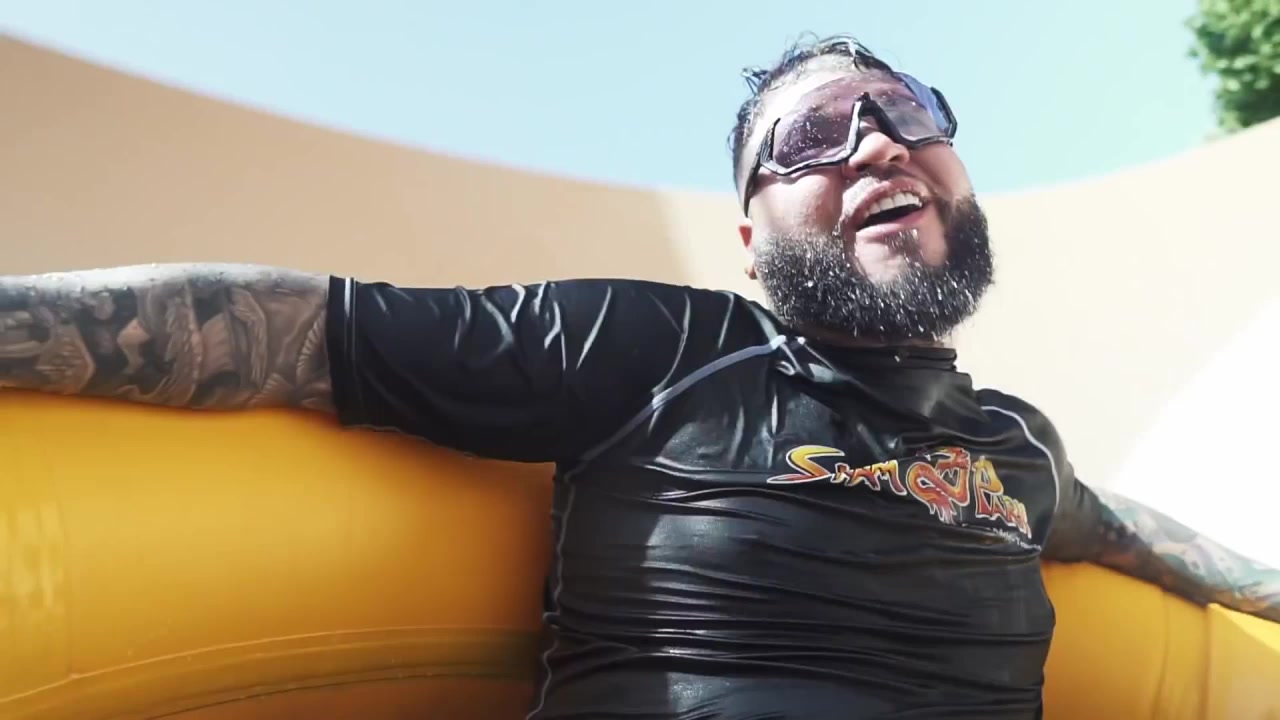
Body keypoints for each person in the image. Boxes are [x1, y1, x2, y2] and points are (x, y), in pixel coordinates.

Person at [0, 34, 1276, 720]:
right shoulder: (665, 351)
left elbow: (1122, 531)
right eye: (812, 136)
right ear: (752, 241)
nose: (876, 141)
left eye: (905, 112)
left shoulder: (1014, 447)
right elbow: (289, 329)